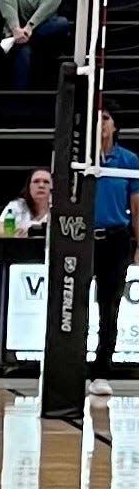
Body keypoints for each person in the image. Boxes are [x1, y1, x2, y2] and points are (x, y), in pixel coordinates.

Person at [88, 107, 139, 397]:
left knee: (110, 307)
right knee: (76, 303)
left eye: (105, 118)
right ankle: (71, 367)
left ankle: (101, 370)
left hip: (116, 239)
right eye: (96, 118)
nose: (101, 124)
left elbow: (137, 207)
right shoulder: (82, 159)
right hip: (82, 239)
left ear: (115, 125)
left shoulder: (128, 160)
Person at [0, 168, 52, 237]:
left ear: (52, 187)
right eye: (36, 181)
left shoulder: (60, 208)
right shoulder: (17, 205)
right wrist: (22, 233)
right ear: (29, 187)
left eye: (46, 182)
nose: (41, 185)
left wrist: (26, 231)